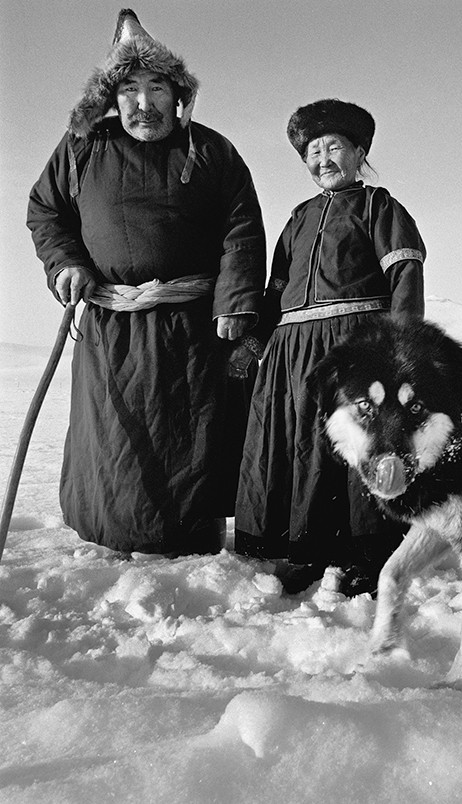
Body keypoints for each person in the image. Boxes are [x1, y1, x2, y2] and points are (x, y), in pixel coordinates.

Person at [27, 10, 267, 556]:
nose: (142, 103)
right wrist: (66, 265)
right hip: (111, 323)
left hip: (191, 327)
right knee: (116, 438)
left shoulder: (210, 150)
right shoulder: (81, 148)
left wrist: (236, 300)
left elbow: (242, 228)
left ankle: (192, 540)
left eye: (155, 87)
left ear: (176, 93)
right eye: (129, 89)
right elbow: (46, 211)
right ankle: (112, 540)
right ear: (112, 97)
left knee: (189, 436)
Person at [235, 98, 425, 595]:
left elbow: (404, 274)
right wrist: (256, 338)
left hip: (354, 345)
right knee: (304, 446)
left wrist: (401, 346)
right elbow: (277, 291)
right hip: (293, 350)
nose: (323, 160)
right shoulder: (297, 218)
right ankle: (306, 549)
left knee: (355, 445)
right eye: (312, 152)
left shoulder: (378, 206)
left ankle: (364, 556)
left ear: (359, 152)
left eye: (334, 147)